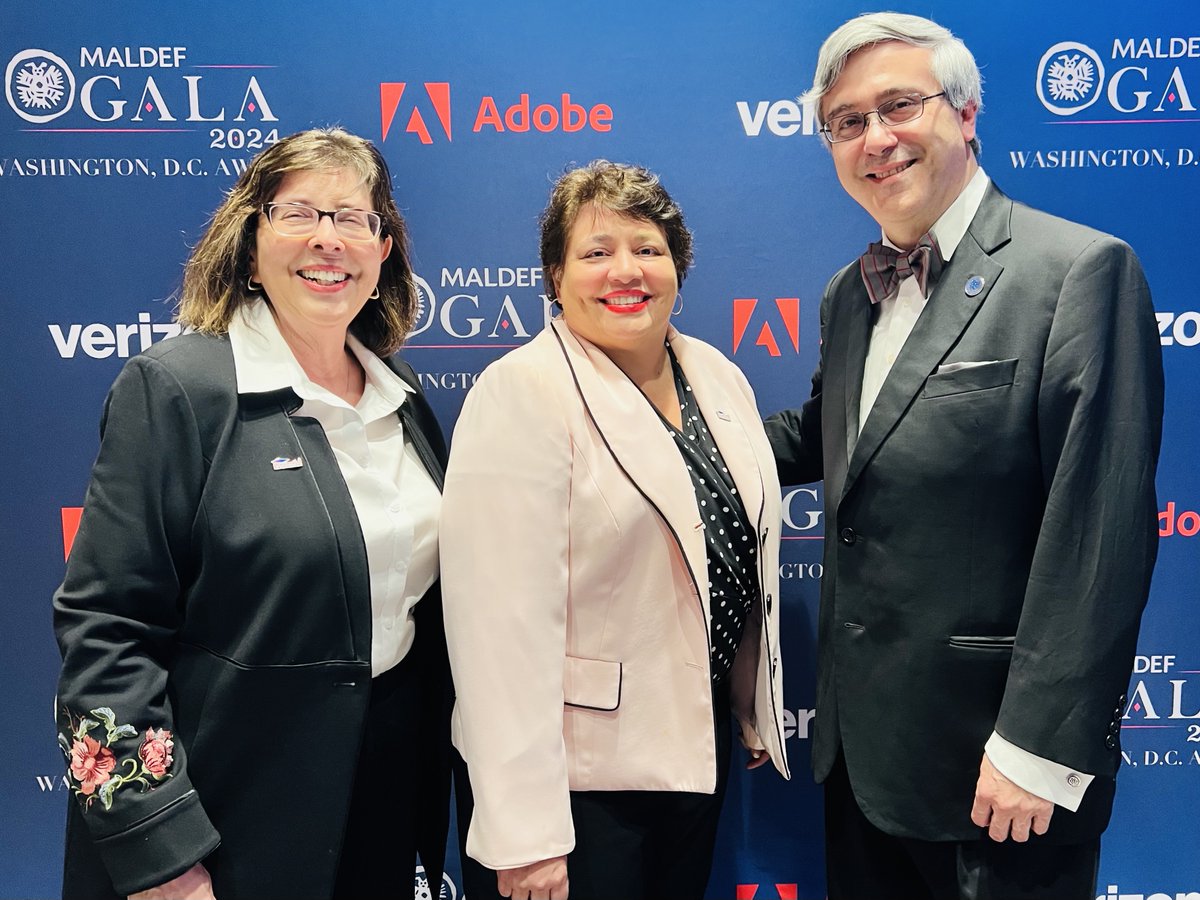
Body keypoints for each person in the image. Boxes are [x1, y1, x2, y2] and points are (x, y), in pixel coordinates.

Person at [765, 13, 1163, 899]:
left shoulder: (1079, 272)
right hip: (862, 764)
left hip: (1000, 775)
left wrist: (1038, 750)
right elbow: (833, 437)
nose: (876, 138)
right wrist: (659, 425)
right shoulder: (848, 295)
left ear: (967, 111)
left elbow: (1101, 534)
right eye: (846, 122)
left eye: (900, 105)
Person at [53, 127, 453, 900]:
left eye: (353, 218)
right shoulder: (177, 389)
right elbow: (107, 630)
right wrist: (159, 851)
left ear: (383, 251)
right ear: (250, 241)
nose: (327, 240)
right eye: (298, 213)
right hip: (221, 830)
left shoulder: (401, 398)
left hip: (376, 817)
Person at [440, 160, 789, 900]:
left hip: (693, 751)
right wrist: (524, 830)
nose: (625, 271)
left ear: (677, 267)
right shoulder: (521, 392)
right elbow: (495, 635)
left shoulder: (715, 373)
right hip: (577, 783)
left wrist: (747, 699)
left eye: (648, 249)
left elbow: (722, 549)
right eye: (596, 253)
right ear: (555, 277)